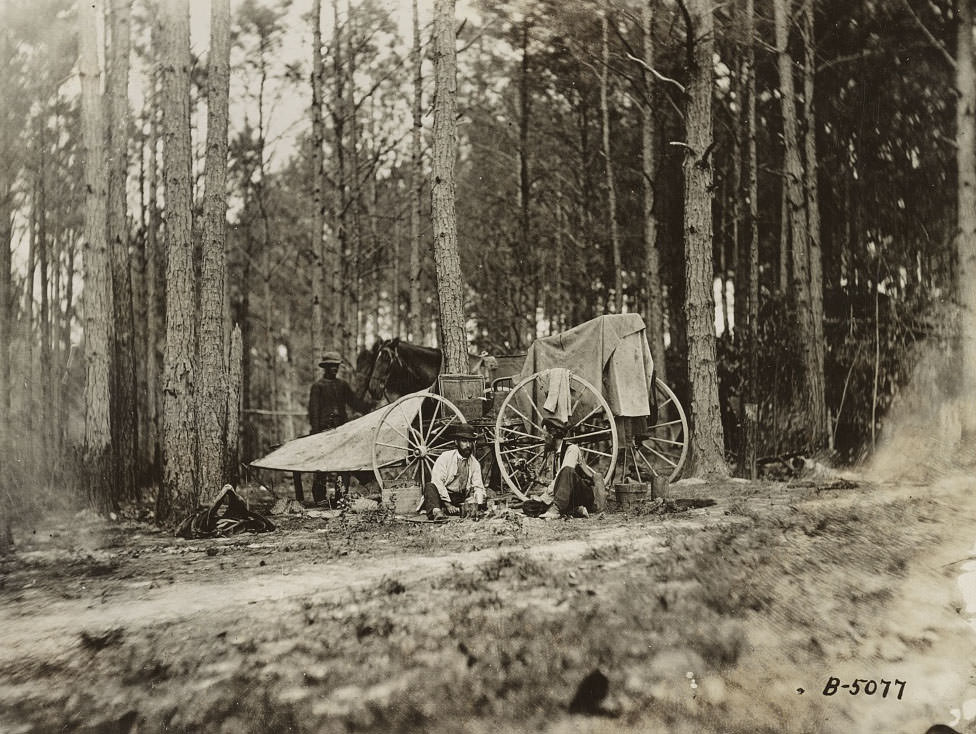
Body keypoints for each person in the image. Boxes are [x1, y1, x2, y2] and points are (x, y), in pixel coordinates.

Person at [293, 351, 371, 505]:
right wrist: (316, 434)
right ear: (325, 368)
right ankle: (320, 497)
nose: (334, 369)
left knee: (344, 464)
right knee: (322, 465)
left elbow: (355, 403)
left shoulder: (342, 385)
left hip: (341, 431)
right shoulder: (318, 387)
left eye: (336, 366)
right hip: (323, 431)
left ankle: (340, 496)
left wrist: (371, 404)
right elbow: (313, 412)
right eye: (331, 366)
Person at [420, 424, 486, 520]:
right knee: (430, 486)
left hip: (459, 497)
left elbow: (478, 486)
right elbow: (437, 482)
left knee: (480, 499)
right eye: (464, 441)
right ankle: (437, 512)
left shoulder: (474, 463)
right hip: (443, 496)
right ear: (456, 442)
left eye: (471, 442)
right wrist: (448, 504)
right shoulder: (445, 457)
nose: (468, 445)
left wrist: (478, 504)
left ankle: (456, 510)